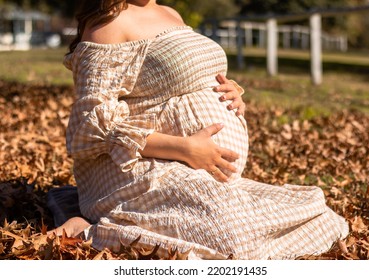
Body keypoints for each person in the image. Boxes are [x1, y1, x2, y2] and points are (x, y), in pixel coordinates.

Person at [50, 0, 348, 260]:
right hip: (139, 172)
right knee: (234, 243)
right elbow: (89, 125)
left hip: (198, 172)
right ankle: (89, 230)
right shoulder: (109, 25)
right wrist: (185, 149)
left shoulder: (170, 13)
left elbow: (181, 79)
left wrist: (230, 92)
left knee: (324, 217)